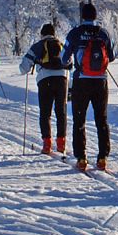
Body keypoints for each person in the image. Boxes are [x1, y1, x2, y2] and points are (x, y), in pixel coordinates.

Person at [61, 2, 116, 171]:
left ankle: (82, 158)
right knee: (102, 119)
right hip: (101, 81)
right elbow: (112, 56)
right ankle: (102, 158)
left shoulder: (75, 33)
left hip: (81, 81)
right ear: (95, 15)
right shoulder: (103, 33)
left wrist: (71, 64)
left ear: (82, 16)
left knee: (79, 120)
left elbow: (64, 58)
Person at [19, 23, 69, 154]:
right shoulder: (61, 45)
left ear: (42, 34)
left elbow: (23, 68)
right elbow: (70, 62)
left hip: (44, 80)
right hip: (61, 80)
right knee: (61, 112)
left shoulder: (37, 46)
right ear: (54, 33)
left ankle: (47, 144)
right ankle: (61, 144)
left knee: (45, 113)